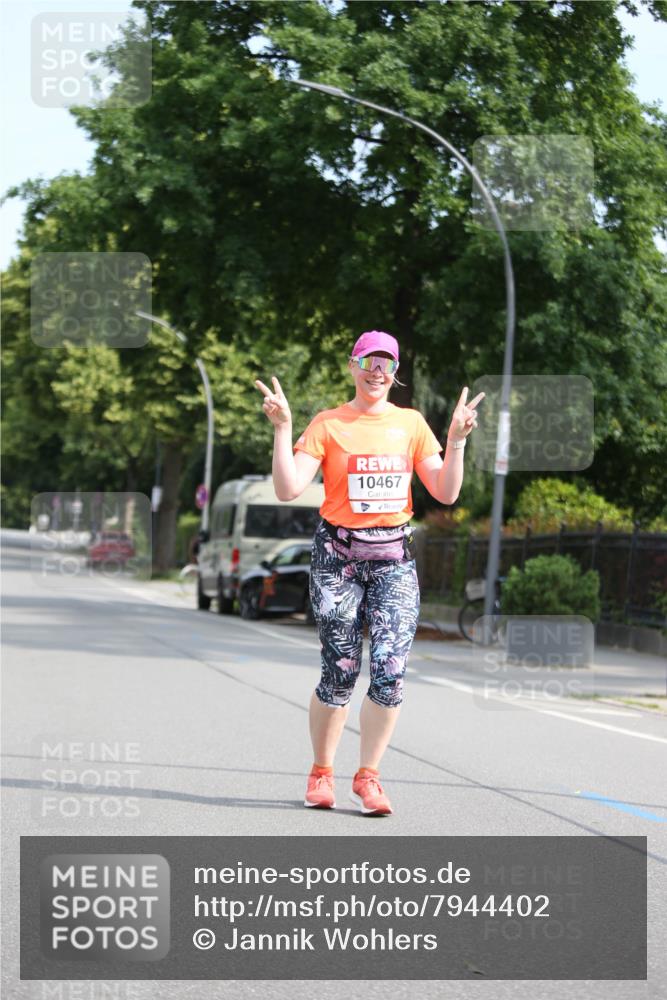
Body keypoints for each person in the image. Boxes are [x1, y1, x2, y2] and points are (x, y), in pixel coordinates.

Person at [254, 330, 483, 816]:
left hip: (393, 560)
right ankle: (321, 771)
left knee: (390, 672)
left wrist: (456, 442)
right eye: (368, 361)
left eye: (386, 364)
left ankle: (369, 777)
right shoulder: (328, 423)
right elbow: (289, 487)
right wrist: (281, 429)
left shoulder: (411, 424)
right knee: (339, 668)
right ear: (353, 366)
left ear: (394, 373)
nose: (377, 371)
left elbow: (445, 492)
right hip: (337, 557)